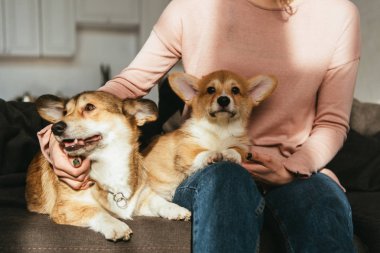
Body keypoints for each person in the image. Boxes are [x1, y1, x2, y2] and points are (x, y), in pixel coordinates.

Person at [38, 0, 361, 252]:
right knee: (226, 178)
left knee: (322, 200)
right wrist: (63, 131)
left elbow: (332, 121)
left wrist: (296, 168)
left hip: (291, 168)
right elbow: (132, 81)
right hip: (206, 165)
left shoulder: (338, 14)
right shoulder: (191, 7)